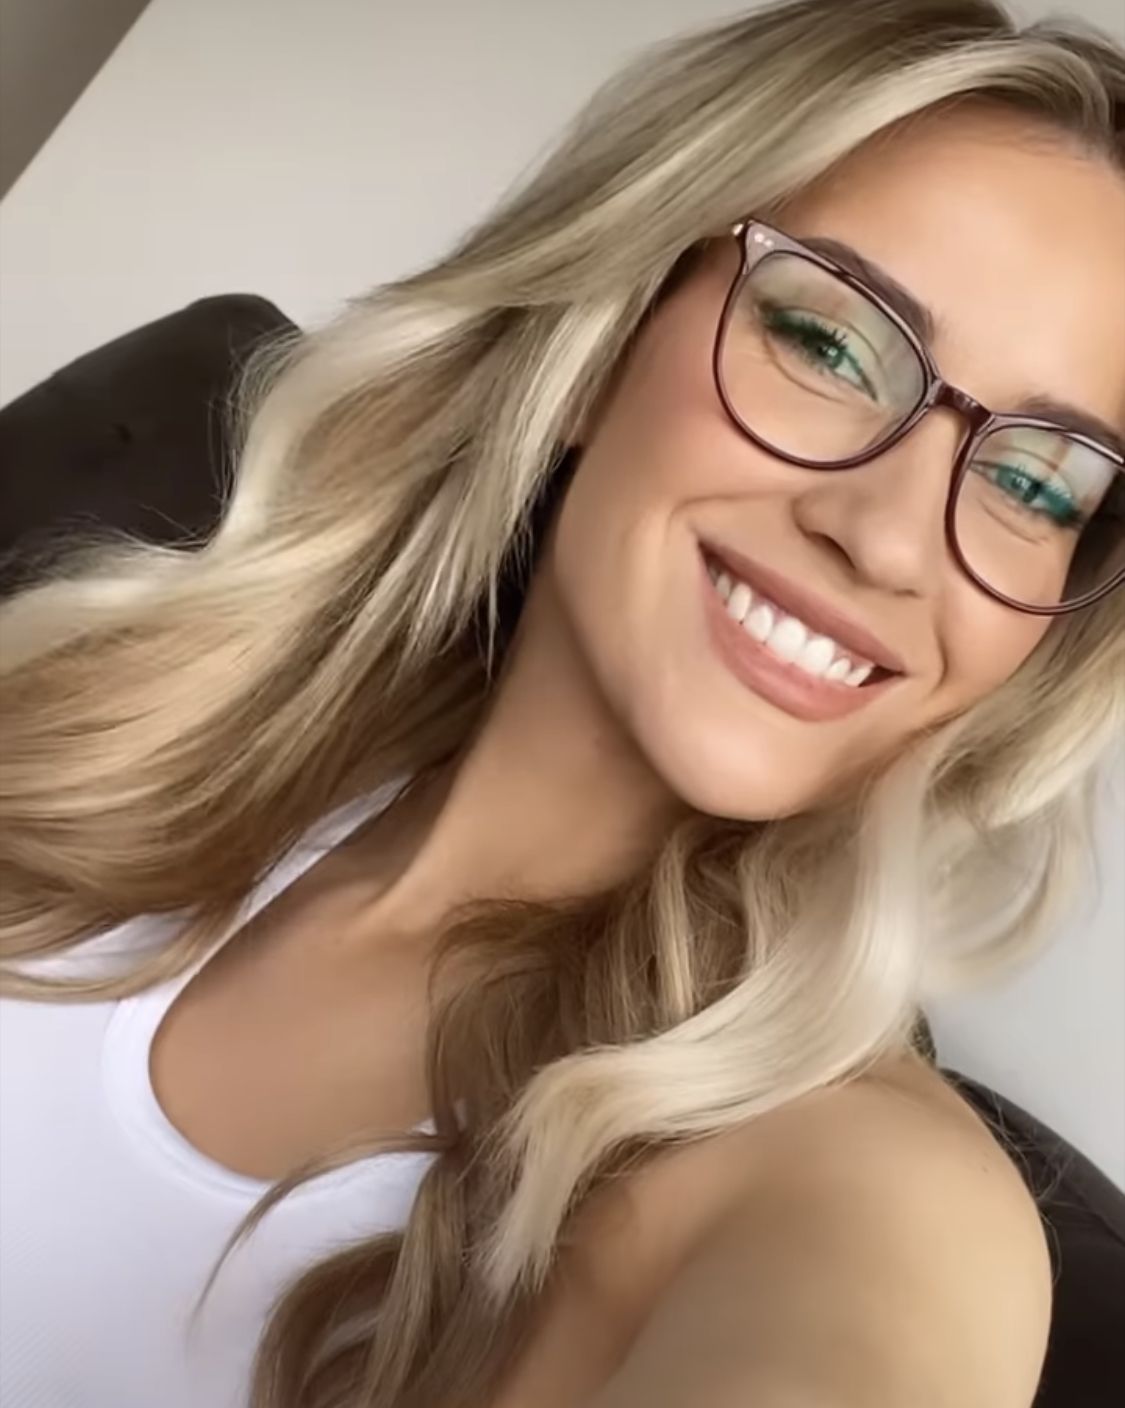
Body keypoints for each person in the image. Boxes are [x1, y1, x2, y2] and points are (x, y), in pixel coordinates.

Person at [2, 0, 1123, 1404]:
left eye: (1035, 484)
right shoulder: (119, 708)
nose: (892, 539)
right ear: (603, 338)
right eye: (831, 345)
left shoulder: (849, 1183)